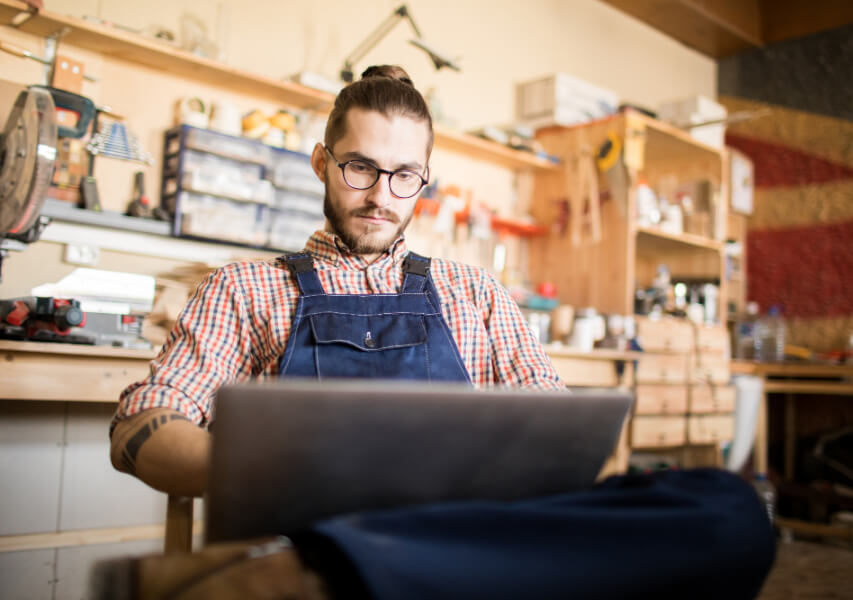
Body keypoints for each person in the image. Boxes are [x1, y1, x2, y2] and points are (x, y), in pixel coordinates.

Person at [108, 66, 775, 599]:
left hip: (471, 534)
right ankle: (308, 575)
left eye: (404, 177)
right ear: (321, 163)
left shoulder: (474, 292)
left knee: (727, 505)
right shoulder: (245, 288)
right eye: (359, 168)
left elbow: (555, 425)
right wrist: (279, 474)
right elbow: (143, 422)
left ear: (424, 181)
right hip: (321, 532)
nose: (380, 195)